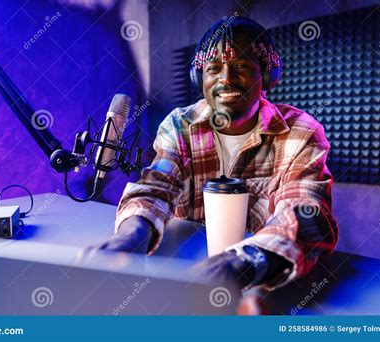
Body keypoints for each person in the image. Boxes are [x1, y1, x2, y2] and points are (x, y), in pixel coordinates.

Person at [99, 16, 338, 292]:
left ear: (267, 76)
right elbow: (156, 187)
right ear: (199, 79)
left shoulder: (301, 132)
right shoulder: (180, 125)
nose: (226, 78)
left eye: (242, 66)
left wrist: (243, 262)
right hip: (183, 279)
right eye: (214, 68)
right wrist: (129, 238)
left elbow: (306, 211)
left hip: (263, 286)